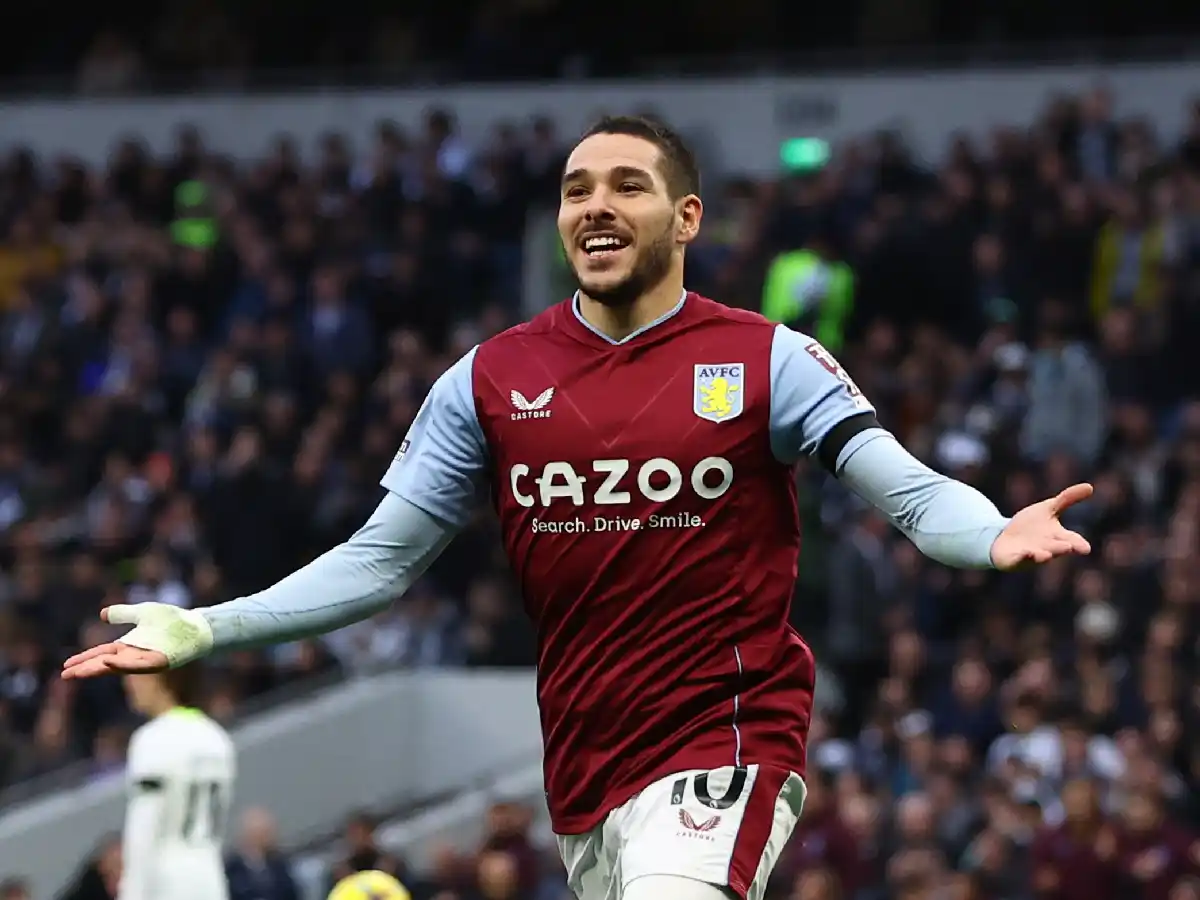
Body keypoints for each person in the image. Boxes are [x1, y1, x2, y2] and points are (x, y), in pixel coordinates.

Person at [63, 115, 1092, 900]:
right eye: (574, 190)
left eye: (628, 187)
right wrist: (205, 624)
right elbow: (378, 560)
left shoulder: (764, 359)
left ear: (686, 218)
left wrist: (994, 532)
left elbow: (905, 491)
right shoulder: (489, 379)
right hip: (585, 765)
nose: (594, 206)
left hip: (724, 740)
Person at [118, 665, 237, 900]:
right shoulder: (217, 738)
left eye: (136, 673)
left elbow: (144, 827)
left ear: (162, 678)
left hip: (166, 884)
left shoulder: (153, 739)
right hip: (210, 878)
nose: (128, 683)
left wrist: (131, 893)